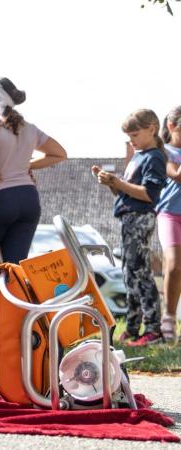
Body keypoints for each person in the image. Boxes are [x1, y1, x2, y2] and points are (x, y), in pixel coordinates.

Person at [0, 78, 67, 279]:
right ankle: (18, 310)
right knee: (15, 273)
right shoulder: (29, 127)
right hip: (28, 200)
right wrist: (26, 165)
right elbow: (59, 153)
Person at [92, 109, 166, 347]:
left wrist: (118, 182)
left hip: (141, 218)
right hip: (128, 217)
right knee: (129, 274)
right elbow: (125, 191)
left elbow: (149, 194)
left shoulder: (154, 157)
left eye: (135, 134)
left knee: (141, 273)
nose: (131, 140)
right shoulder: (138, 155)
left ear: (151, 130)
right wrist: (111, 183)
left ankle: (153, 329)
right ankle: (133, 328)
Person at [156, 106, 181, 343]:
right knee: (173, 265)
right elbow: (176, 175)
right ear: (172, 126)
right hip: (169, 214)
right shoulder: (164, 152)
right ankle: (168, 319)